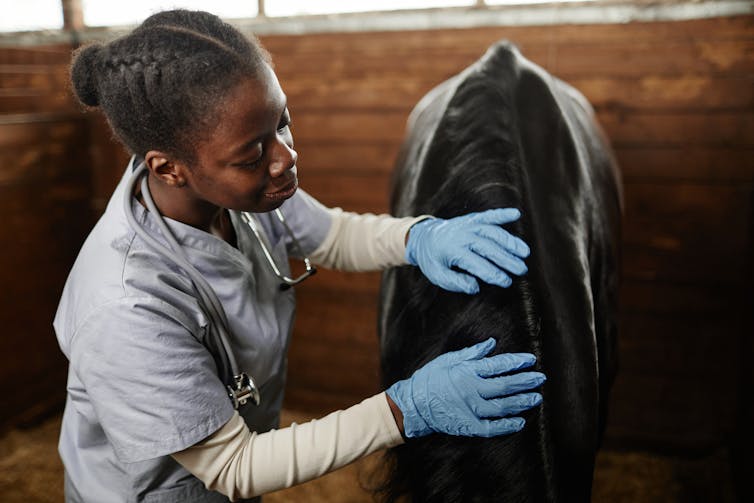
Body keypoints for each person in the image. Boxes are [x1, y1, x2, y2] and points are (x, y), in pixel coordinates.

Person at [55, 9, 546, 502]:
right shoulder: (124, 307)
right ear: (169, 169)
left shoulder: (238, 188)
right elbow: (233, 464)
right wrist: (406, 409)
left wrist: (419, 238)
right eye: (252, 155)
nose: (286, 157)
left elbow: (330, 236)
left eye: (283, 122)